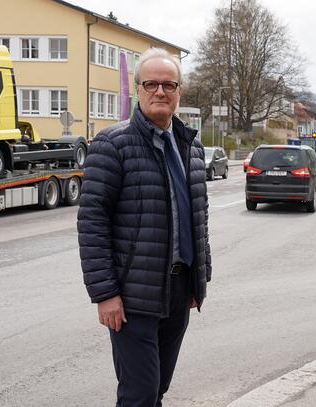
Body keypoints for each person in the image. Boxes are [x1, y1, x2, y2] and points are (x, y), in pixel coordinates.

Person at [77, 47, 212, 406]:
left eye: (169, 84)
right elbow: (92, 223)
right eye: (151, 84)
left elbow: (199, 220)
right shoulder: (113, 144)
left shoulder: (191, 147)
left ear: (179, 92)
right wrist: (105, 293)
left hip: (179, 290)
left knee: (158, 389)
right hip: (133, 295)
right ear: (138, 89)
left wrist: (199, 280)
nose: (160, 92)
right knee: (138, 394)